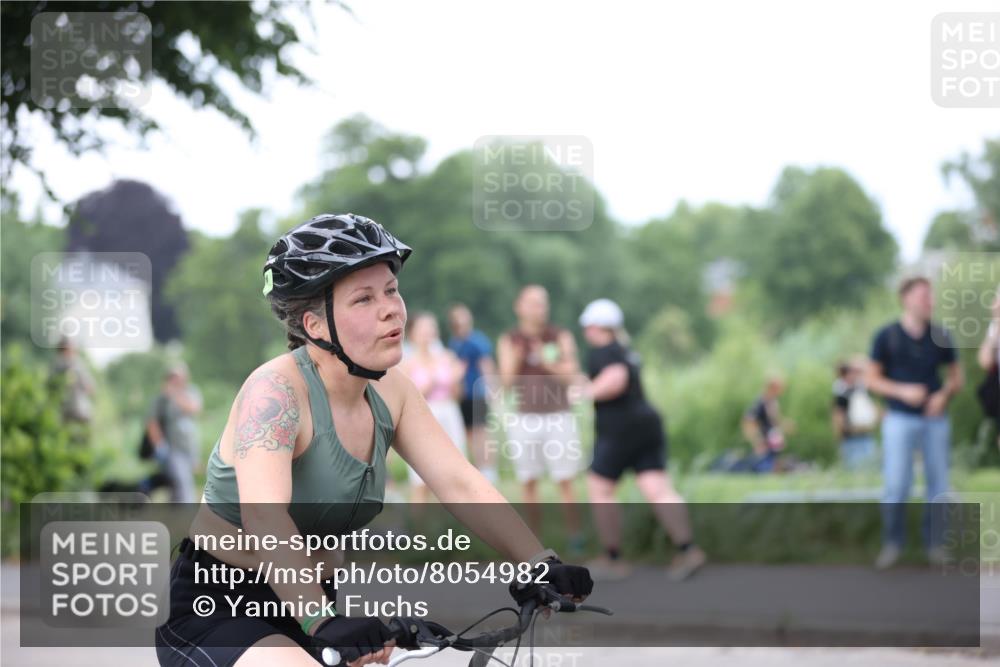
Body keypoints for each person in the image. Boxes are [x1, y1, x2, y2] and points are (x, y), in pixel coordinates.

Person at [155, 214, 592, 667]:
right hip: (221, 608)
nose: (391, 308)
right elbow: (265, 516)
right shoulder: (275, 393)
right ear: (315, 325)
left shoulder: (393, 389)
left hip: (316, 602)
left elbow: (459, 481)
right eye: (363, 299)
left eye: (390, 290)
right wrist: (321, 620)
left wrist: (538, 560)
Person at [578, 299, 706, 582]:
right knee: (657, 488)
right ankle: (688, 549)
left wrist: (587, 390)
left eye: (587, 325)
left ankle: (612, 558)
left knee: (599, 489)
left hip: (620, 429)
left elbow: (616, 379)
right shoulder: (626, 349)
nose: (586, 331)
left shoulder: (604, 350)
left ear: (597, 327)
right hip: (647, 424)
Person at [867, 276, 964, 570]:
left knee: (938, 483)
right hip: (898, 418)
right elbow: (871, 380)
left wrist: (943, 396)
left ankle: (935, 546)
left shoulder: (942, 335)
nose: (929, 301)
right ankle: (892, 544)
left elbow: (957, 379)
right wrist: (902, 391)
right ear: (906, 298)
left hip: (934, 421)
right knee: (897, 483)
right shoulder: (887, 336)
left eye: (931, 296)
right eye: (924, 296)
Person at [497, 285, 584, 540]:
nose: (540, 308)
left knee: (565, 478)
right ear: (519, 306)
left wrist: (547, 363)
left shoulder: (559, 336)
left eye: (543, 303)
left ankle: (575, 535)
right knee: (528, 479)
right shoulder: (509, 339)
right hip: (524, 418)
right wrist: (516, 358)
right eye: (533, 303)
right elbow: (505, 383)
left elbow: (572, 376)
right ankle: (534, 538)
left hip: (559, 416)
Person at [398, 311, 467, 503]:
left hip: (449, 414)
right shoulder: (406, 363)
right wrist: (436, 379)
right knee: (421, 480)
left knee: (454, 475)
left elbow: (458, 394)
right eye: (424, 328)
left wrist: (455, 381)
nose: (428, 332)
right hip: (423, 416)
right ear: (413, 333)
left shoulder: (447, 356)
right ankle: (419, 529)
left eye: (431, 328)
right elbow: (413, 396)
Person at [447, 303, 498, 484]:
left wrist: (492, 388)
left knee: (481, 432)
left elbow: (486, 364)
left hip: (478, 393)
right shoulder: (454, 343)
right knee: (468, 433)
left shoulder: (477, 340)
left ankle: (489, 471)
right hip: (463, 396)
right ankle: (477, 469)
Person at [142, 363, 203, 502]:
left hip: (190, 446)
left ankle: (176, 515)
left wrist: (175, 394)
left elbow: (193, 408)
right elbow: (152, 422)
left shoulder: (191, 392)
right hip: (172, 448)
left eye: (179, 377)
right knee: (182, 482)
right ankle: (187, 515)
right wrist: (159, 445)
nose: (176, 380)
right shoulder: (161, 399)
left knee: (178, 485)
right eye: (172, 377)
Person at [832, 357, 880, 471]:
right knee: (855, 467)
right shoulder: (842, 393)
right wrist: (840, 432)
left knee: (868, 465)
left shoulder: (861, 390)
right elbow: (838, 415)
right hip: (850, 436)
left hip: (865, 433)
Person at [740, 374, 791, 473]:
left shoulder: (772, 401)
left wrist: (785, 425)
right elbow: (748, 421)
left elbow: (774, 420)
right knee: (763, 467)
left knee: (774, 463)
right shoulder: (760, 402)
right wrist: (757, 440)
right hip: (764, 440)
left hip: (772, 440)